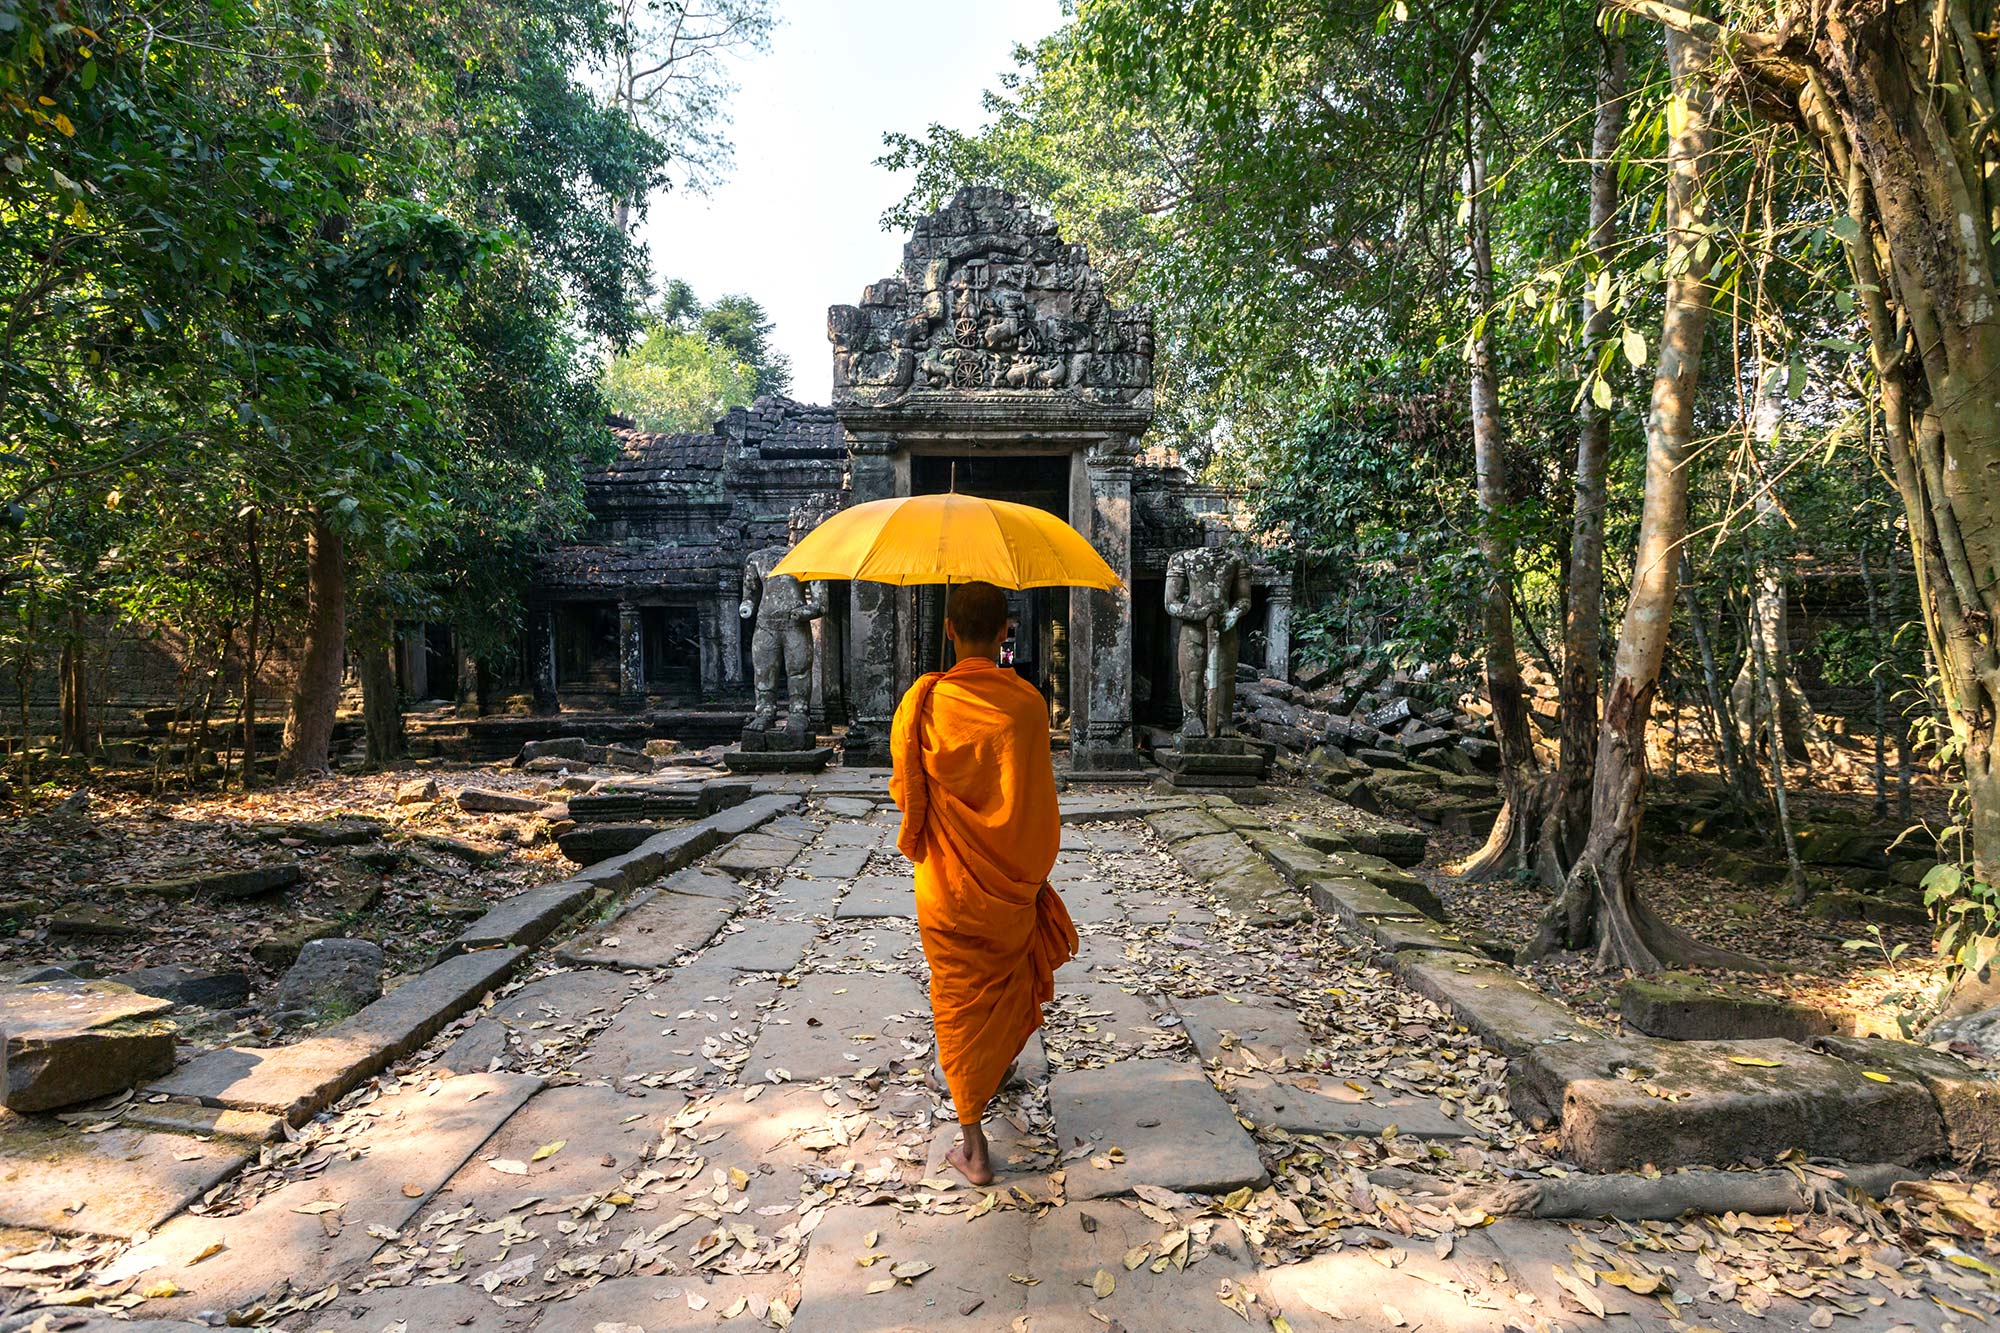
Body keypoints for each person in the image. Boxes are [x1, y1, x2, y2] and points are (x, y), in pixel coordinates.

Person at [890, 581, 1078, 1185]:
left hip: (946, 886)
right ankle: (990, 1079)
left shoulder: (924, 703)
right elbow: (1036, 807)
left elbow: (905, 792)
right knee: (995, 984)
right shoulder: (1026, 704)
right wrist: (1025, 871)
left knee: (955, 997)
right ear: (1006, 632)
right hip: (1007, 882)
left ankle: (973, 1146)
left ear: (949, 630)